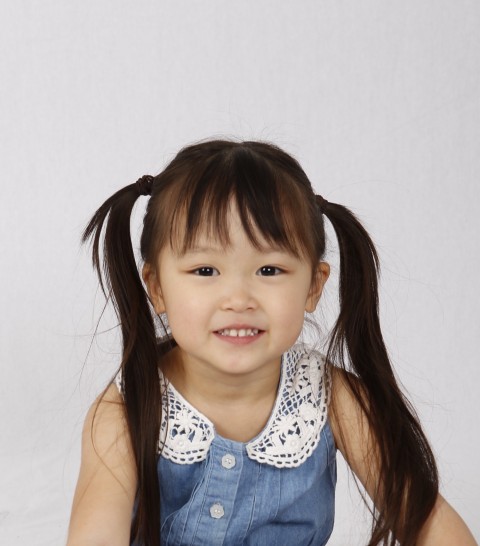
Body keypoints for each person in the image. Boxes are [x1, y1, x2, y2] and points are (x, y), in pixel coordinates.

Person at [67, 139, 476, 546]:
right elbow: (96, 533)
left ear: (313, 286)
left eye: (269, 270)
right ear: (156, 287)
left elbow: (425, 518)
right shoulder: (125, 409)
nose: (238, 299)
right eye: (206, 270)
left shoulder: (330, 398)